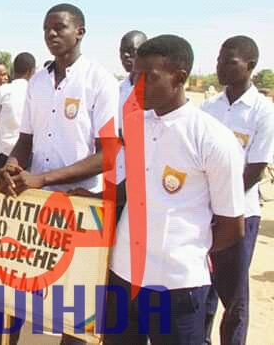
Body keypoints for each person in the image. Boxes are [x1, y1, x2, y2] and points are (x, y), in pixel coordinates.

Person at [102, 35, 246, 344]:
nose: (137, 85)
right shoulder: (133, 124)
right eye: (135, 75)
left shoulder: (212, 138)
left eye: (148, 77)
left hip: (177, 286)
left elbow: (231, 227)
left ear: (179, 78)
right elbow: (129, 185)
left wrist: (183, 251)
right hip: (124, 277)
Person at [0, 4, 119, 345]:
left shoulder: (101, 81)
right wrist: (12, 165)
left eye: (60, 28)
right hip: (34, 206)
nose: (51, 35)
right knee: (19, 291)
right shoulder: (37, 82)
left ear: (80, 32)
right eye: (46, 29)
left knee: (72, 307)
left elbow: (109, 153)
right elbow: (26, 139)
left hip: (77, 209)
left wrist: (45, 179)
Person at [201, 36, 274, 345]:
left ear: (250, 67)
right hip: (204, 213)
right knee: (203, 288)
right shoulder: (208, 107)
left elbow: (255, 170)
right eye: (219, 60)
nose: (220, 67)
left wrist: (222, 203)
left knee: (234, 296)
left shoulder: (263, 111)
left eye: (229, 62)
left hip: (240, 217)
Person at [0, 53, 36, 172]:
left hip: (4, 152)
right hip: (28, 153)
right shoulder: (35, 91)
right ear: (31, 71)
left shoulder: (3, 90)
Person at [116, 30, 148, 185]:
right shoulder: (115, 89)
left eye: (132, 51)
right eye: (123, 52)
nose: (126, 56)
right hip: (115, 174)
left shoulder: (157, 93)